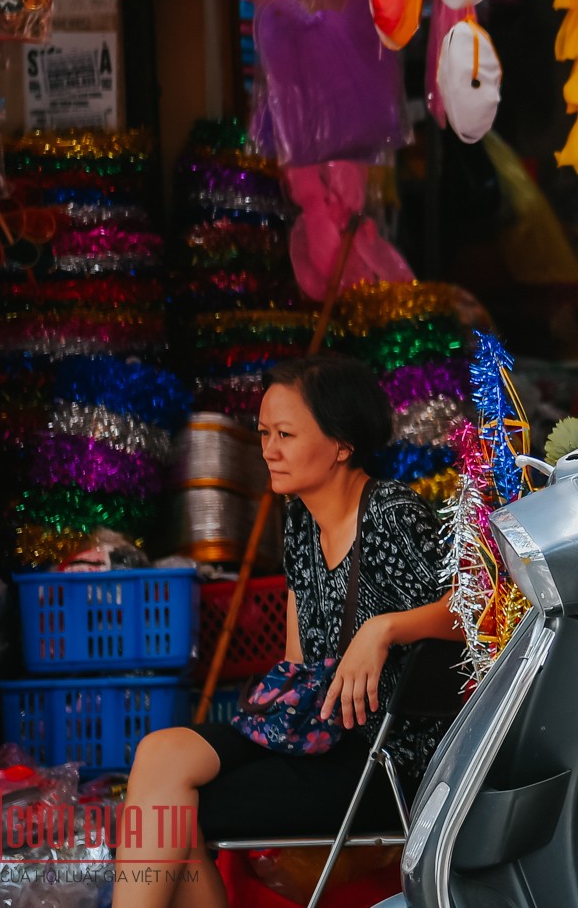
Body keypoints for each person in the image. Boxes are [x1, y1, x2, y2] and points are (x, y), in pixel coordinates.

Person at [113, 355, 462, 908]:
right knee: (160, 755)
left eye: (285, 434)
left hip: (385, 757)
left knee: (172, 814)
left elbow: (474, 611)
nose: (268, 449)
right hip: (318, 732)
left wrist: (384, 628)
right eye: (264, 433)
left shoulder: (393, 514)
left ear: (342, 445)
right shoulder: (300, 518)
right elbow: (298, 662)